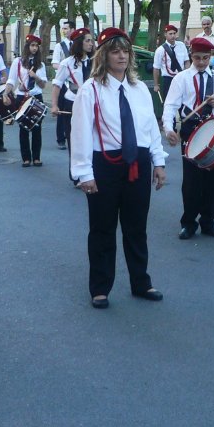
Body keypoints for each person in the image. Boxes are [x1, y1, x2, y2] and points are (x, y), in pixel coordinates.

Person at [71, 28, 167, 309]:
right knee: (102, 229)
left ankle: (141, 282)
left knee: (137, 227)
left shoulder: (139, 90)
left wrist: (158, 162)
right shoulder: (91, 90)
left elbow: (151, 129)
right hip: (105, 165)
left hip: (138, 162)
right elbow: (80, 133)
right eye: (115, 51)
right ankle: (100, 288)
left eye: (126, 51)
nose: (122, 56)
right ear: (103, 55)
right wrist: (84, 173)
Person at [162, 37, 214, 240]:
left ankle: (209, 221)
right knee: (192, 180)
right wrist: (169, 129)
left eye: (204, 58)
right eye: (197, 58)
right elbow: (170, 106)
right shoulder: (182, 78)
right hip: (191, 128)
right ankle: (189, 222)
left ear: (210, 57)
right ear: (191, 56)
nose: (201, 62)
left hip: (213, 129)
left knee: (212, 178)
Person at [52, 29, 94, 179]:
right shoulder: (67, 63)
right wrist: (55, 105)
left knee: (93, 138)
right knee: (75, 140)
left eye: (91, 40)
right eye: (87, 41)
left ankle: (91, 171)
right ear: (79, 43)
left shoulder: (95, 61)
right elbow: (57, 85)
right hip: (73, 103)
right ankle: (76, 175)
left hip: (92, 104)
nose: (91, 44)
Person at [6, 34, 48, 167]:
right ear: (27, 46)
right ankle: (26, 157)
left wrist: (36, 77)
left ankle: (36, 157)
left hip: (36, 96)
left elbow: (43, 85)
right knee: (23, 128)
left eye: (36, 46)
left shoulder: (40, 65)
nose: (34, 48)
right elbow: (11, 80)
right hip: (22, 96)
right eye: (32, 45)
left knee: (37, 128)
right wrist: (6, 93)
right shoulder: (18, 62)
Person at [153, 24, 190, 108]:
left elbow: (187, 62)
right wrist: (156, 84)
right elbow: (156, 68)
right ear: (165, 34)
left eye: (174, 33)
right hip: (168, 79)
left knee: (184, 103)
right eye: (170, 34)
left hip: (181, 77)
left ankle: (183, 120)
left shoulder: (181, 45)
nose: (173, 36)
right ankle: (170, 121)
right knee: (169, 104)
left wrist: (188, 75)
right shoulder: (160, 50)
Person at [52, 21, 76, 148]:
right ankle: (60, 138)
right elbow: (55, 63)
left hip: (75, 83)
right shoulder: (59, 46)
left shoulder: (78, 44)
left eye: (66, 28)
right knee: (61, 110)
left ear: (73, 29)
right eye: (63, 29)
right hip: (63, 82)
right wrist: (65, 68)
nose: (64, 31)